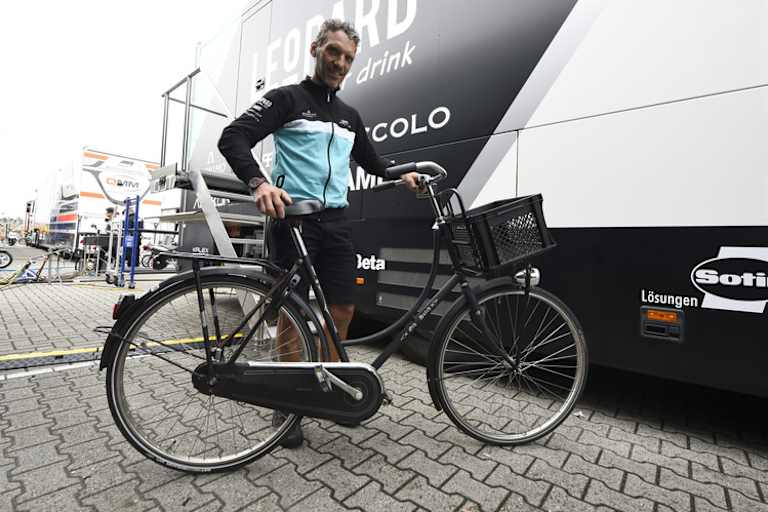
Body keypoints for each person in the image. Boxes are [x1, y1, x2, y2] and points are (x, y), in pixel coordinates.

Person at [218, 19, 421, 447]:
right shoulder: (287, 98)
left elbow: (373, 162)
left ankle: (331, 392)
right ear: (315, 48)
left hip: (336, 223)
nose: (340, 63)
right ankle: (289, 405)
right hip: (295, 221)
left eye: (348, 58)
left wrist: (404, 175)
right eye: (334, 52)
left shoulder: (349, 116)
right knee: (294, 315)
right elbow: (233, 136)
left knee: (342, 309)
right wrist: (260, 183)